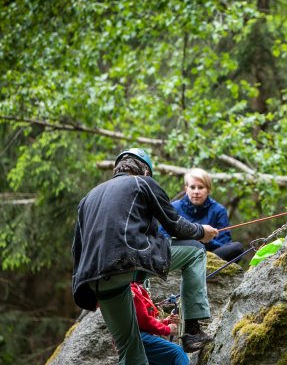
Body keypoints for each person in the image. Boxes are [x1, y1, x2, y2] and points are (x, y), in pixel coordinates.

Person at [72, 148, 217, 364]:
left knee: (131, 353)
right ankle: (193, 331)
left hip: (95, 280)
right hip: (130, 260)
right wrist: (201, 232)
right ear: (145, 171)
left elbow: (77, 249)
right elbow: (175, 225)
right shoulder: (142, 183)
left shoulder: (87, 199)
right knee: (195, 251)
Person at [162, 168, 245, 262]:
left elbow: (224, 244)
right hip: (181, 255)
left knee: (237, 247)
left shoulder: (219, 210)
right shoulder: (174, 207)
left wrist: (204, 239)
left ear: (208, 190)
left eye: (201, 187)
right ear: (186, 189)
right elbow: (162, 237)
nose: (196, 192)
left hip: (210, 257)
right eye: (192, 187)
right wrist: (192, 238)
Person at [131, 282, 189, 365]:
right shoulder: (132, 290)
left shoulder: (137, 289)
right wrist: (167, 329)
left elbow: (142, 321)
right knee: (178, 353)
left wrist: (167, 322)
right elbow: (143, 320)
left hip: (136, 338)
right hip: (139, 338)